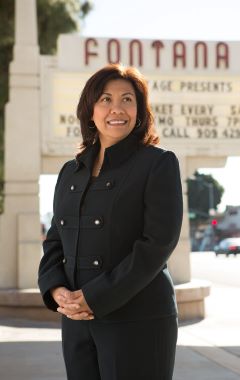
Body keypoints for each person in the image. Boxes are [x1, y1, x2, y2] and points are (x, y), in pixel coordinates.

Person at [38, 63, 183, 380]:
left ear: (140, 110)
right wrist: (56, 288)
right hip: (77, 322)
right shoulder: (70, 172)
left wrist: (95, 297)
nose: (117, 108)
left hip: (139, 320)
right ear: (89, 109)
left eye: (127, 99)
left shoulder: (158, 164)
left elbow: (157, 245)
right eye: (105, 99)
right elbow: (55, 239)